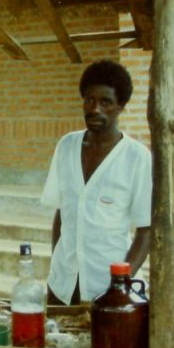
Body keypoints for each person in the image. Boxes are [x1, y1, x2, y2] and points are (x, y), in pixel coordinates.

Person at [40, 60, 152, 306]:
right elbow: (62, 212)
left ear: (120, 106)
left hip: (108, 286)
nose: (95, 109)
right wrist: (58, 266)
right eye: (89, 100)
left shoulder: (136, 157)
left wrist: (119, 287)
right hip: (62, 286)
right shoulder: (66, 146)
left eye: (106, 102)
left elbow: (146, 232)